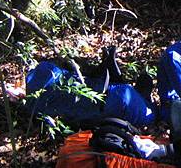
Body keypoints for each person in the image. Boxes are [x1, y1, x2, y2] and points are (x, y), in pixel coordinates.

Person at [25, 47, 158, 128]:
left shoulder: (36, 104)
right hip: (117, 97)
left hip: (115, 100)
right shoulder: (48, 70)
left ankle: (142, 97)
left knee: (145, 111)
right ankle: (142, 97)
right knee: (149, 113)